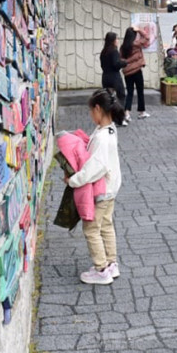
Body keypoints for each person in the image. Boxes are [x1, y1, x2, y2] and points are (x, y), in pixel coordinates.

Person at [65, 89, 126, 285]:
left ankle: (101, 269)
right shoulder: (109, 130)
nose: (90, 115)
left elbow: (95, 167)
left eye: (91, 111)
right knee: (106, 225)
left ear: (98, 109)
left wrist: (73, 180)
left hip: (102, 190)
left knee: (91, 228)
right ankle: (111, 262)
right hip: (111, 188)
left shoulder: (101, 137)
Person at [120, 26, 151, 123]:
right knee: (140, 91)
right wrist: (139, 30)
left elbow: (121, 59)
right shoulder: (136, 44)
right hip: (137, 70)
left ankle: (127, 113)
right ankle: (141, 112)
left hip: (127, 72)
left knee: (129, 92)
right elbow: (147, 38)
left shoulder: (123, 47)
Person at [99, 32, 126, 102]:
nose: (118, 41)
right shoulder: (114, 51)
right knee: (121, 96)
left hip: (105, 77)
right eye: (116, 39)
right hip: (114, 77)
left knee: (108, 98)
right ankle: (119, 112)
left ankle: (108, 112)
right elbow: (116, 64)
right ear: (112, 40)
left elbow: (102, 65)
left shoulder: (103, 52)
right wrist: (124, 63)